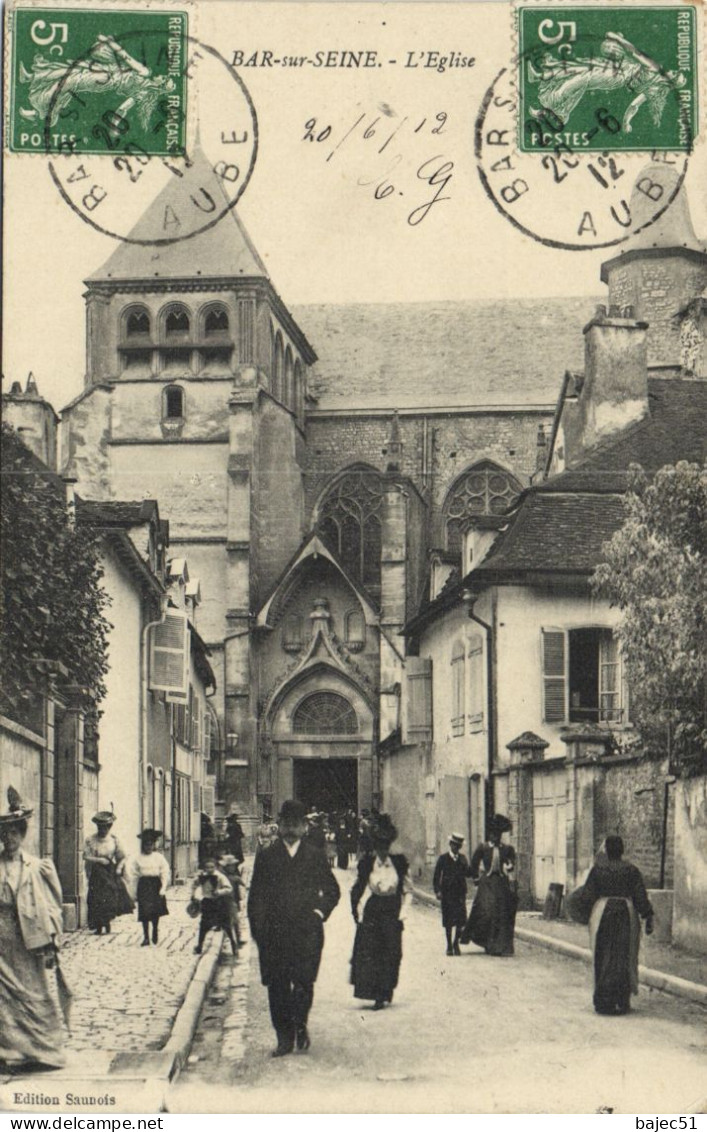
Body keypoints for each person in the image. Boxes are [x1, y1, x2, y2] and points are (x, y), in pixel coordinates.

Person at [248, 799, 340, 1057]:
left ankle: (300, 1024)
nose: (290, 828)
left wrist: (319, 912)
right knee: (277, 987)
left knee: (303, 984)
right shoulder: (267, 856)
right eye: (286, 823)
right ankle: (283, 1038)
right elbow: (255, 897)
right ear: (279, 824)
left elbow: (332, 890)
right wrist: (259, 932)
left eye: (296, 824)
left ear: (304, 827)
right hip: (274, 935)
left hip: (307, 932)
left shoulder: (314, 855)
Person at [0, 787, 67, 1070]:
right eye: (5, 835)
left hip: (28, 940)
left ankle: (46, 1051)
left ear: (22, 834)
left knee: (34, 992)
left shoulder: (37, 867)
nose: (9, 839)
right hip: (1, 937)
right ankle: (9, 1052)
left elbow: (53, 906)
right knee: (3, 995)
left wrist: (52, 941)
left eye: (14, 833)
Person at [580, 835, 654, 1015]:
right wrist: (648, 915)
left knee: (603, 955)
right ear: (622, 851)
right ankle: (622, 1000)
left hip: (602, 914)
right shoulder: (631, 870)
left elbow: (587, 896)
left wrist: (583, 915)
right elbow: (639, 896)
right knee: (624, 955)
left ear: (606, 851)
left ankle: (604, 1001)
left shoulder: (597, 870)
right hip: (626, 914)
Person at [350, 813, 411, 1010]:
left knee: (392, 952)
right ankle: (377, 994)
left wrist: (403, 913)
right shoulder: (368, 864)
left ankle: (387, 990)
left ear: (389, 846)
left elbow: (408, 891)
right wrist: (357, 913)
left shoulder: (399, 864)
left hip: (392, 909)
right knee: (373, 952)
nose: (383, 851)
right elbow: (357, 890)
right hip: (374, 910)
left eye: (385, 847)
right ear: (375, 847)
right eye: (379, 847)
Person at [460, 814, 517, 956]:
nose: (495, 837)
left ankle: (500, 946)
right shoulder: (483, 848)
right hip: (487, 883)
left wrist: (510, 866)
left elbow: (512, 864)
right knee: (486, 911)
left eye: (498, 835)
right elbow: (473, 866)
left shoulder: (506, 849)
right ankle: (486, 942)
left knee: (502, 913)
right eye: (493, 835)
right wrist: (476, 880)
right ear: (489, 835)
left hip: (501, 882)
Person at [83, 809, 128, 935]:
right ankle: (98, 925)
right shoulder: (90, 840)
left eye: (105, 828)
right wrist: (99, 860)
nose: (103, 830)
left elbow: (122, 856)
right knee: (96, 898)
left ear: (110, 827)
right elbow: (85, 856)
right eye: (100, 827)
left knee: (109, 897)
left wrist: (119, 868)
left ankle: (107, 921)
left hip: (110, 872)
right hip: (96, 873)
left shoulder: (114, 840)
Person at [127, 829, 170, 946]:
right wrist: (133, 892)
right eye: (146, 844)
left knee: (155, 911)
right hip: (144, 885)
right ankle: (146, 937)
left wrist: (163, 888)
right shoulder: (137, 858)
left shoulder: (159, 857)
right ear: (143, 845)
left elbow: (164, 872)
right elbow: (134, 875)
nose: (149, 847)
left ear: (154, 845)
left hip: (155, 884)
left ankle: (155, 930)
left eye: (151, 844)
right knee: (144, 912)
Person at [433, 832, 472, 956]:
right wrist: (438, 891)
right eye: (454, 845)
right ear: (450, 844)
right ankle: (449, 945)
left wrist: (471, 869)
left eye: (458, 846)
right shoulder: (443, 858)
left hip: (460, 894)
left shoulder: (462, 859)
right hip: (447, 893)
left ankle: (456, 943)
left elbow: (468, 873)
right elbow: (436, 876)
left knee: (460, 921)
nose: (456, 848)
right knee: (448, 921)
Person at [191, 857, 238, 955]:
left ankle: (234, 945)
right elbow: (195, 884)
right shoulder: (202, 877)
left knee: (226, 925)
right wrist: (194, 894)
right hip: (207, 902)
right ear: (204, 868)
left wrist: (219, 892)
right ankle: (199, 946)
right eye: (207, 867)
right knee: (204, 925)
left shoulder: (220, 877)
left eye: (212, 867)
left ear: (215, 867)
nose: (209, 870)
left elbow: (229, 888)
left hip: (219, 903)